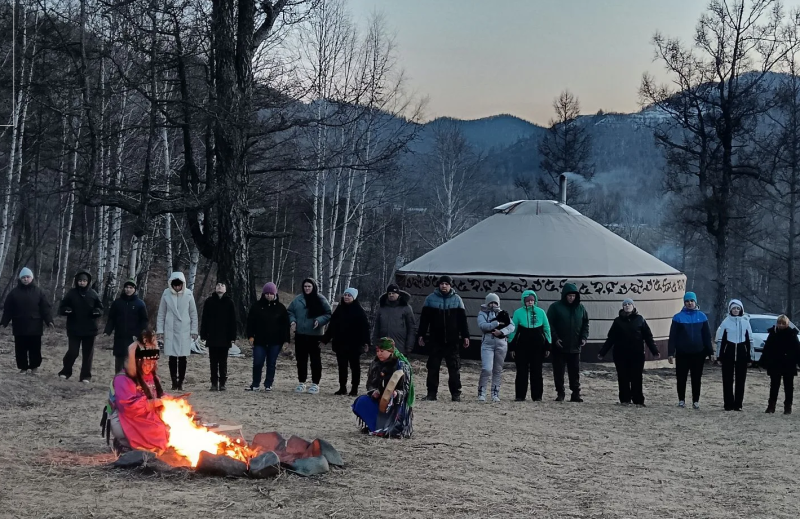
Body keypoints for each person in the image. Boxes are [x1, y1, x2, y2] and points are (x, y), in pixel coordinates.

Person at [101, 330, 169, 454]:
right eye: (146, 363)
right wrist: (155, 403)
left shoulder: (152, 377)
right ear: (137, 362)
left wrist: (171, 401)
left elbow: (159, 395)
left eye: (152, 363)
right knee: (156, 430)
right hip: (125, 419)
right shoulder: (122, 379)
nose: (149, 367)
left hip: (146, 416)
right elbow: (129, 408)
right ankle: (124, 443)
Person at [416, 275, 470, 402]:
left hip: (452, 340)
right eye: (441, 284)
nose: (444, 286)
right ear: (438, 285)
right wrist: (421, 335)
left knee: (454, 368)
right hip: (435, 340)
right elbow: (424, 320)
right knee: (433, 367)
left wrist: (466, 336)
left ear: (450, 285)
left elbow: (463, 320)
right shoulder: (430, 299)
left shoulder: (457, 300)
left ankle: (455, 394)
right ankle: (431, 393)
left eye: (446, 284)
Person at [597, 299, 660, 406]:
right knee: (623, 377)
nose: (627, 306)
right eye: (625, 304)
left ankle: (638, 400)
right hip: (620, 354)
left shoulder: (640, 320)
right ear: (622, 307)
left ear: (633, 306)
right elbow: (611, 338)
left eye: (629, 304)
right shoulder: (617, 321)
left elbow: (648, 337)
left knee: (637, 377)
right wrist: (602, 353)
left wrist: (654, 351)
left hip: (637, 354)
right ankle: (625, 399)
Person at [352, 337, 415, 438]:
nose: (379, 354)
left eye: (382, 351)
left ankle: (392, 428)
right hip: (379, 399)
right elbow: (370, 384)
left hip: (396, 403)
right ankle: (375, 427)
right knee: (361, 402)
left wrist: (397, 394)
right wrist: (374, 392)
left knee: (394, 406)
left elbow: (406, 389)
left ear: (390, 351)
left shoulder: (401, 365)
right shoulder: (375, 364)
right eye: (377, 351)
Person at [1, 267, 54, 375]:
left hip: (35, 326)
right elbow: (8, 310)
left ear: (32, 278)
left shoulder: (39, 292)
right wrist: (3, 323)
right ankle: (23, 368)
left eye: (27, 277)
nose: (25, 279)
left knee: (35, 348)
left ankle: (34, 367)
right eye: (23, 277)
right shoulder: (14, 293)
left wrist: (49, 321)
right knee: (20, 349)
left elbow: (45, 309)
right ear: (20, 279)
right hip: (19, 325)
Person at [668, 292, 714, 410]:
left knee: (696, 378)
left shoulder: (702, 316)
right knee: (681, 377)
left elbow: (706, 336)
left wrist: (710, 352)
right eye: (687, 301)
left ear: (695, 302)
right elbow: (672, 336)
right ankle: (681, 400)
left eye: (691, 301)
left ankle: (696, 400)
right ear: (684, 303)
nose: (689, 303)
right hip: (683, 353)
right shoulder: (678, 317)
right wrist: (670, 352)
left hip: (698, 353)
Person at [58, 269, 104, 383]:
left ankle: (85, 376)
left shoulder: (93, 294)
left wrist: (97, 311)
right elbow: (62, 307)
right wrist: (66, 310)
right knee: (73, 351)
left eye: (84, 281)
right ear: (76, 281)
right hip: (74, 328)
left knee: (88, 354)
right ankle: (65, 371)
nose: (82, 283)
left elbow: (101, 308)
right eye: (80, 281)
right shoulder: (71, 293)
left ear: (88, 282)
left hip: (90, 329)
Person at [322, 288, 370, 396]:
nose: (347, 297)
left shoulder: (359, 311)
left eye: (349, 295)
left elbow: (365, 328)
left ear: (354, 297)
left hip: (355, 344)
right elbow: (332, 327)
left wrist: (366, 342)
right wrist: (325, 340)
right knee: (342, 366)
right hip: (340, 344)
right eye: (345, 295)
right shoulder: (339, 309)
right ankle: (342, 387)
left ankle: (354, 388)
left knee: (355, 367)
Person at [287, 278, 332, 395]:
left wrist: (320, 320)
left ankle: (315, 383)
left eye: (309, 286)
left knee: (315, 360)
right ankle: (301, 382)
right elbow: (290, 312)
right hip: (300, 334)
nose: (307, 288)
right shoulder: (298, 300)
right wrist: (292, 321)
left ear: (313, 287)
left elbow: (328, 313)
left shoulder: (320, 299)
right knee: (301, 359)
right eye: (305, 286)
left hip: (315, 335)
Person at [547, 283, 590, 402]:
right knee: (559, 371)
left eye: (573, 296)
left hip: (575, 346)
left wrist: (584, 337)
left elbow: (585, 323)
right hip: (559, 346)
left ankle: (575, 393)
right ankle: (560, 393)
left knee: (574, 371)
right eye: (569, 295)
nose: (571, 298)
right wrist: (555, 338)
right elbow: (549, 324)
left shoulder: (581, 308)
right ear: (564, 295)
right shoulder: (555, 307)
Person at [156, 272, 198, 391]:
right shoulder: (166, 294)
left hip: (184, 329)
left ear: (182, 284)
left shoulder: (189, 294)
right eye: (175, 285)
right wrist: (160, 330)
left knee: (183, 357)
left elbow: (193, 313)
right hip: (171, 329)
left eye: (179, 285)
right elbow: (161, 313)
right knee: (172, 357)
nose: (177, 287)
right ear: (171, 285)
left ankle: (181, 382)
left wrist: (194, 330)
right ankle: (174, 381)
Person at [507, 290, 551, 402]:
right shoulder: (518, 313)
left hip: (538, 347)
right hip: (522, 347)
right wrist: (511, 346)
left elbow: (546, 329)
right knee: (521, 372)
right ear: (523, 301)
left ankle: (537, 396)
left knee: (537, 372)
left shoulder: (541, 312)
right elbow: (513, 330)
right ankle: (520, 396)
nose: (530, 302)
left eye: (532, 300)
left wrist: (548, 346)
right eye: (528, 300)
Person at [246, 282, 290, 392]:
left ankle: (268, 384)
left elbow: (285, 326)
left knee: (271, 363)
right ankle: (255, 384)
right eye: (267, 293)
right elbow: (250, 323)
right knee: (257, 363)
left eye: (271, 293)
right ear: (263, 294)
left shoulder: (281, 308)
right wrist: (250, 336)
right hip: (259, 341)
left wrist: (286, 340)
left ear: (275, 294)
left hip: (275, 342)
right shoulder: (256, 306)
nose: (269, 295)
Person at [104, 278, 149, 374]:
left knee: (131, 359)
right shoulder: (117, 303)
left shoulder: (140, 304)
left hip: (133, 336)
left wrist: (140, 333)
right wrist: (107, 330)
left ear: (134, 289)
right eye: (127, 287)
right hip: (119, 335)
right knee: (119, 359)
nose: (128, 289)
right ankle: (118, 381)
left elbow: (144, 320)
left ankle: (130, 381)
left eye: (131, 287)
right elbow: (111, 318)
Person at [476, 293, 515, 402]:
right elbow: (483, 326)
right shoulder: (482, 313)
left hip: (501, 343)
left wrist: (502, 332)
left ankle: (495, 393)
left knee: (498, 370)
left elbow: (511, 326)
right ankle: (481, 392)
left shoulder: (503, 313)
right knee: (487, 368)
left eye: (495, 302)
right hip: (488, 343)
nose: (493, 305)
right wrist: (496, 323)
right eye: (491, 302)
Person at [715, 299, 753, 411]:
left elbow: (749, 340)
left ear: (741, 310)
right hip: (729, 353)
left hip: (741, 352)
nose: (736, 310)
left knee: (740, 380)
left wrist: (750, 357)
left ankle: (738, 404)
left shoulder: (745, 322)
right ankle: (728, 404)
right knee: (727, 379)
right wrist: (719, 356)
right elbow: (721, 341)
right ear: (730, 309)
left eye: (738, 308)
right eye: (734, 308)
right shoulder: (726, 322)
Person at [200, 282, 237, 391]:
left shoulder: (229, 302)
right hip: (212, 336)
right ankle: (214, 383)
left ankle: (222, 383)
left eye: (222, 285)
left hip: (225, 337)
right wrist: (203, 334)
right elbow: (205, 319)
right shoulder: (209, 301)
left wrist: (232, 337)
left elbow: (233, 321)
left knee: (223, 361)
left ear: (225, 289)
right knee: (213, 361)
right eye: (218, 285)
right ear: (215, 288)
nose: (220, 287)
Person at [759, 315, 800, 415]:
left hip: (789, 363)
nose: (781, 325)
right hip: (775, 363)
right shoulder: (773, 333)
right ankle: (771, 406)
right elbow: (767, 348)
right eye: (779, 323)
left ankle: (788, 407)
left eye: (783, 323)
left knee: (789, 386)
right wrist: (762, 362)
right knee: (774, 385)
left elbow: (798, 350)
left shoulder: (792, 334)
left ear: (787, 324)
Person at [372, 283, 416, 355]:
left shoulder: (406, 308)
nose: (391, 295)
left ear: (398, 294)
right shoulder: (382, 308)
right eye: (389, 293)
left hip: (400, 346)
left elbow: (411, 328)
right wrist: (374, 343)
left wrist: (409, 346)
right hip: (384, 347)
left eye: (393, 293)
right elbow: (377, 327)